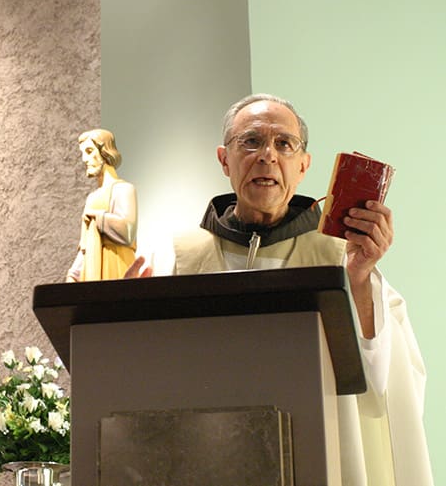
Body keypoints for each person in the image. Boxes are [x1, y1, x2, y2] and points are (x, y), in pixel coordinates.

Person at [127, 93, 432, 486]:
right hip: (202, 460)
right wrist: (126, 323)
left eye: (284, 144)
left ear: (303, 166)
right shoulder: (175, 259)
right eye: (250, 141)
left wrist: (358, 281)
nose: (267, 155)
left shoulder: (342, 260)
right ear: (224, 159)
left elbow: (385, 385)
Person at [66, 129, 137, 282]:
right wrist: (73, 274)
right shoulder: (92, 198)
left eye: (90, 151)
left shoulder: (124, 189)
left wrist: (98, 218)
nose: (85, 159)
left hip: (118, 267)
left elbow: (128, 231)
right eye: (83, 153)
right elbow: (84, 248)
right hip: (91, 272)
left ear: (105, 152)